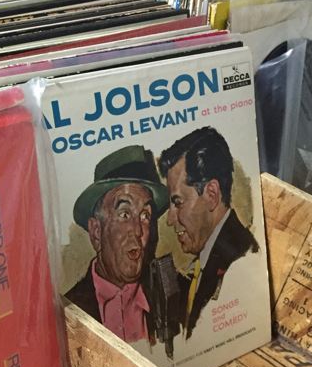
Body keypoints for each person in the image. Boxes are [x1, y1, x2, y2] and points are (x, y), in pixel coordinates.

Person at [159, 127, 259, 339]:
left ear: (212, 194)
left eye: (178, 202)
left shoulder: (241, 261)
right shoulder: (201, 266)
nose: (170, 219)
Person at [65, 145, 169, 344]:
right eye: (124, 215)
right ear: (96, 232)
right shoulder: (71, 310)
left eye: (145, 216)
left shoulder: (171, 293)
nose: (138, 230)